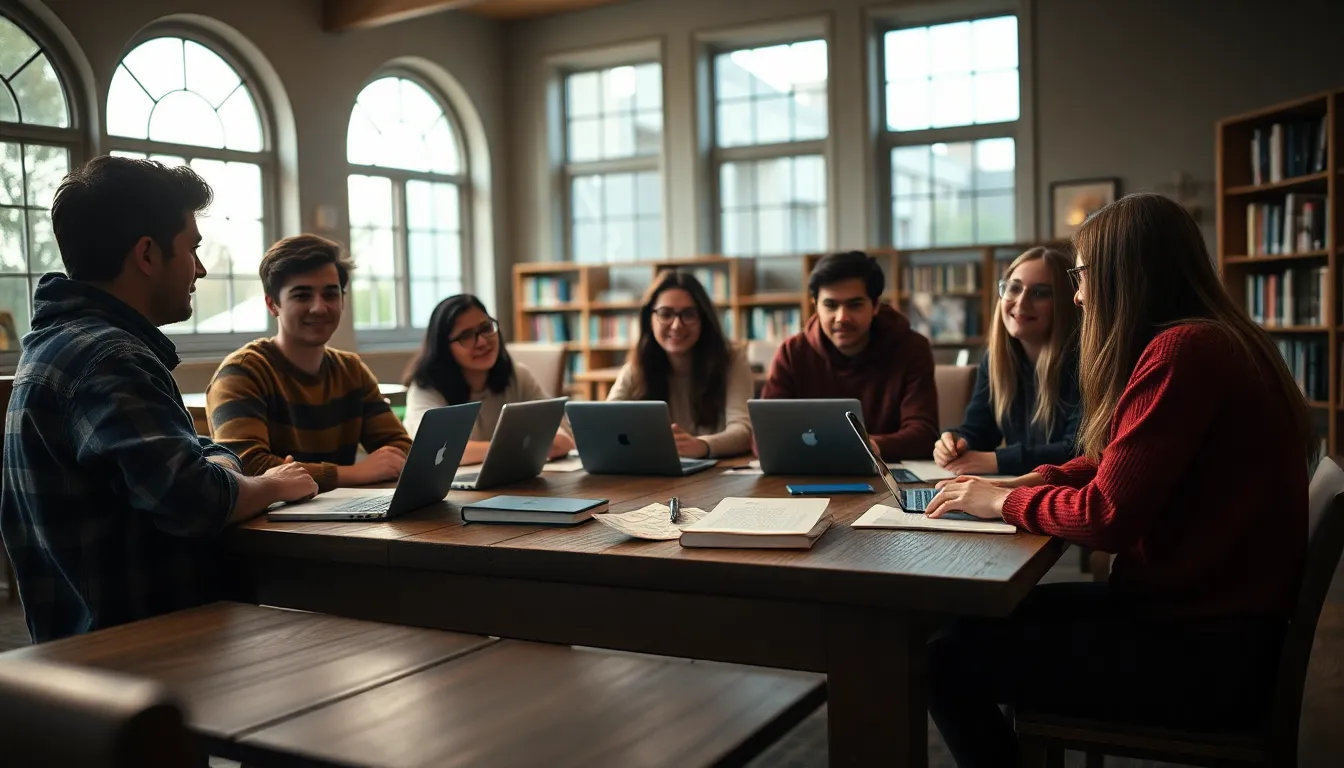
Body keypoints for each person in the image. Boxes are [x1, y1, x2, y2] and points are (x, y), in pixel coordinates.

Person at [923, 193, 1314, 767]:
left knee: (942, 658)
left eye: (1079, 277)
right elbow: (1119, 460)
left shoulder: (1183, 351)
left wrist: (1003, 504)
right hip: (1217, 623)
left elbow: (1107, 515)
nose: (1078, 296)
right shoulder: (1213, 338)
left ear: (1120, 272)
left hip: (1204, 651)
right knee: (965, 627)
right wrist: (1024, 481)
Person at [0, 156, 317, 643]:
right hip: (138, 653)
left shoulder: (61, 343)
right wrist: (272, 483)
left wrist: (216, 464)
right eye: (192, 248)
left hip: (89, 647)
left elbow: (193, 466)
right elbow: (197, 498)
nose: (202, 268)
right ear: (147, 255)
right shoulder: (109, 358)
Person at [206, 235, 412, 493]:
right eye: (302, 296)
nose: (319, 307)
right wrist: (350, 474)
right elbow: (248, 467)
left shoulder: (351, 370)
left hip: (340, 518)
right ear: (272, 304)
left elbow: (401, 448)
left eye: (330, 294)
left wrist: (313, 473)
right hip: (270, 527)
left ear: (343, 300)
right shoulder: (242, 372)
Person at [760, 250, 938, 461]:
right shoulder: (792, 352)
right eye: (830, 305)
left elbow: (924, 434)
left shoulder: (912, 347)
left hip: (886, 473)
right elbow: (764, 435)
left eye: (855, 305)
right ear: (815, 305)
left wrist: (869, 446)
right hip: (808, 472)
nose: (842, 318)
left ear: (875, 306)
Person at [933, 246, 1082, 477]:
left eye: (1040, 293)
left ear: (1064, 301)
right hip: (1017, 487)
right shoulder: (995, 360)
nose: (1021, 303)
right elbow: (979, 431)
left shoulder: (1084, 362)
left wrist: (996, 462)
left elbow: (1077, 451)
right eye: (1014, 288)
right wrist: (955, 443)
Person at [403, 294, 574, 466]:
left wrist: (554, 440)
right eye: (466, 336)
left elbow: (564, 433)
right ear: (443, 348)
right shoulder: (426, 388)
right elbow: (437, 450)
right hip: (452, 491)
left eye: (486, 328)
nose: (483, 342)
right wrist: (520, 446)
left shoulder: (517, 375)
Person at [606, 270, 753, 458]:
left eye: (689, 314)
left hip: (715, 476)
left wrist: (702, 445)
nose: (676, 325)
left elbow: (744, 431)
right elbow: (606, 421)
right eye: (665, 314)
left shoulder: (731, 360)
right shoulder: (638, 366)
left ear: (703, 319)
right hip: (654, 473)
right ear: (649, 320)